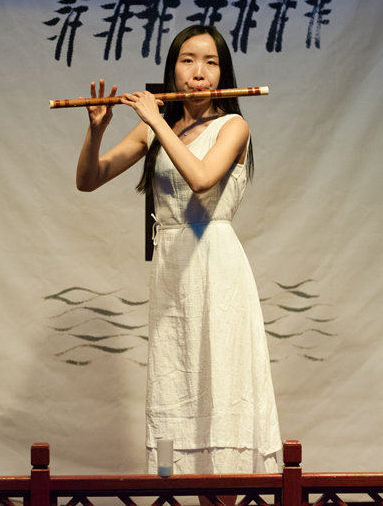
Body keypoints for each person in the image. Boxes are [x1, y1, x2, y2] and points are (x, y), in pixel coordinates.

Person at [75, 25, 282, 475]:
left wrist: (155, 122)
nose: (199, 73)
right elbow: (89, 179)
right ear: (173, 69)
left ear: (222, 71)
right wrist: (96, 130)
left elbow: (203, 178)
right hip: (172, 269)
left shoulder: (234, 126)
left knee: (221, 383)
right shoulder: (157, 129)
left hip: (215, 261)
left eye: (211, 62)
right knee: (181, 380)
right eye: (188, 60)